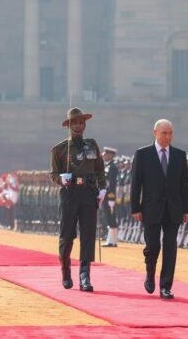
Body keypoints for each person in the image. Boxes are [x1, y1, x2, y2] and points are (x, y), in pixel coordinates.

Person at [131, 119, 188, 300]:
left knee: (170, 247)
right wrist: (135, 208)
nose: (168, 137)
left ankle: (166, 286)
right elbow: (136, 184)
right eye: (164, 133)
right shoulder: (143, 154)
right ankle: (150, 274)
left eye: (170, 133)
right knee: (153, 246)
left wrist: (187, 209)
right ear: (155, 133)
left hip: (174, 209)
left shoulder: (179, 155)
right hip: (150, 208)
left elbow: (185, 185)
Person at [50, 107, 106, 292]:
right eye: (75, 122)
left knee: (88, 234)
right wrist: (61, 179)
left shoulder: (92, 145)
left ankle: (84, 276)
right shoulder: (59, 149)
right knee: (67, 235)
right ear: (69, 125)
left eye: (81, 122)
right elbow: (54, 173)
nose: (78, 125)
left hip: (88, 193)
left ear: (84, 125)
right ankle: (66, 269)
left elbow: (99, 169)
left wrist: (102, 188)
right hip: (70, 193)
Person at [102, 147, 119, 247]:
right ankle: (111, 239)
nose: (104, 155)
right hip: (105, 195)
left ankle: (112, 241)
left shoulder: (113, 167)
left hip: (109, 196)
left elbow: (112, 184)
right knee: (107, 216)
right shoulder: (107, 166)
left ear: (111, 155)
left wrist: (111, 198)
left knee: (111, 217)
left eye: (106, 154)